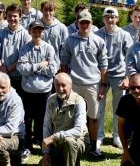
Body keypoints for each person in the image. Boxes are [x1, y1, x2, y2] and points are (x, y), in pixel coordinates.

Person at [60, 9, 108, 159]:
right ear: (77, 23)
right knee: (71, 116)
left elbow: (103, 65)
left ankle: (94, 147)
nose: (85, 25)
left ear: (92, 23)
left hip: (93, 84)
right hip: (74, 84)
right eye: (82, 22)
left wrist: (102, 85)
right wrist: (65, 84)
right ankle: (71, 145)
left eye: (87, 22)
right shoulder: (70, 40)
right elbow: (64, 63)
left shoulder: (99, 41)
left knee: (93, 117)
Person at [17, 21, 58, 159]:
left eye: (40, 30)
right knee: (27, 119)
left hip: (44, 90)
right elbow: (22, 69)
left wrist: (32, 68)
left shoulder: (49, 48)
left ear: (44, 32)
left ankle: (42, 144)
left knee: (43, 119)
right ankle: (27, 146)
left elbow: (53, 70)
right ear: (29, 32)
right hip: (28, 90)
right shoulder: (24, 49)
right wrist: (41, 65)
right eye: (34, 30)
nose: (37, 33)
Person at [95, 7, 133, 151]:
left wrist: (128, 77)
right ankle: (99, 136)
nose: (110, 20)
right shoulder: (97, 34)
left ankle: (117, 136)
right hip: (101, 76)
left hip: (119, 76)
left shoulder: (124, 35)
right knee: (99, 107)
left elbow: (129, 58)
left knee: (119, 109)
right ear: (103, 18)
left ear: (117, 18)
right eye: (107, 17)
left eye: (113, 17)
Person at [41, 73, 87, 166]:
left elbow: (78, 131)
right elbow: (47, 126)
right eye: (57, 85)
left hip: (77, 141)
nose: (60, 89)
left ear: (70, 86)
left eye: (63, 85)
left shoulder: (79, 101)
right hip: (58, 142)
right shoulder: (51, 100)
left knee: (69, 141)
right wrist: (46, 152)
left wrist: (55, 137)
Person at [0, 4, 32, 94]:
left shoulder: (26, 35)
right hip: (3, 77)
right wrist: (1, 69)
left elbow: (24, 58)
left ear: (20, 17)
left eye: (15, 16)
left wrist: (8, 69)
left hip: (20, 78)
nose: (12, 18)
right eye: (9, 16)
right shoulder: (1, 33)